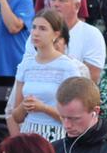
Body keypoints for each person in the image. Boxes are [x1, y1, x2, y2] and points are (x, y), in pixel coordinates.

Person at [9, 10, 89, 143]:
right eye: (34, 27)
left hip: (57, 136)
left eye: (43, 29)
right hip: (29, 135)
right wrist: (24, 106)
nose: (35, 33)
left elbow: (75, 116)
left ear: (56, 34)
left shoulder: (68, 67)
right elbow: (16, 117)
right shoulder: (26, 65)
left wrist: (43, 108)